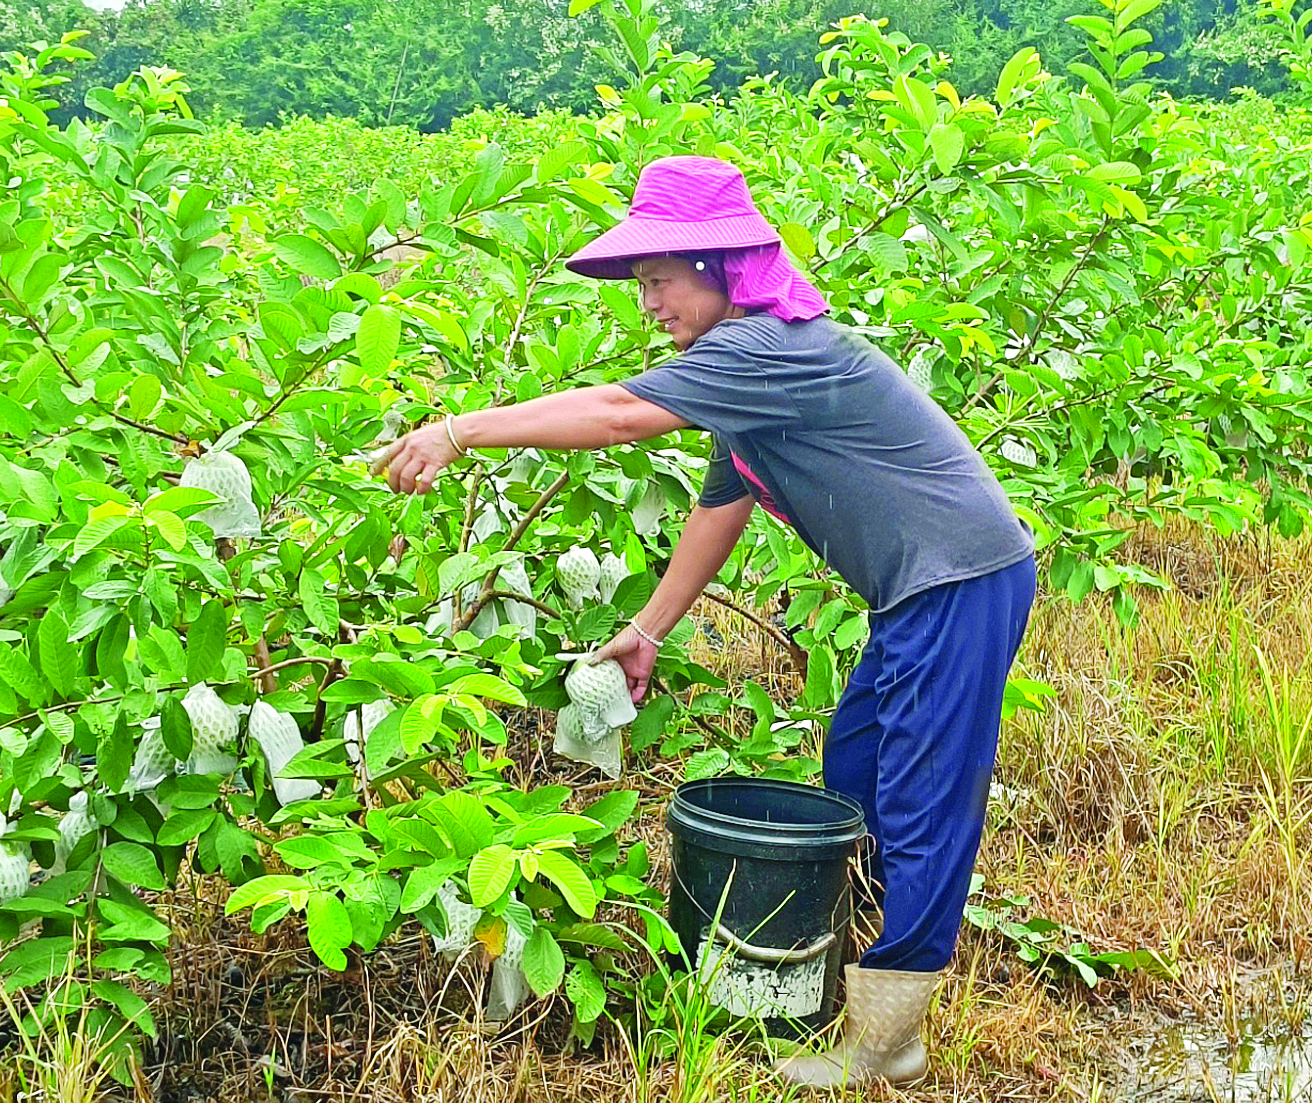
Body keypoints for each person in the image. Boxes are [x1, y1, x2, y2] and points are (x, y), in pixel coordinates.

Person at [372, 155, 1035, 1088]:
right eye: (639, 284)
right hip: (918, 590)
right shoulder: (739, 371)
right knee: (854, 773)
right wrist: (648, 628)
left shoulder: (767, 347)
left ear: (721, 266)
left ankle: (890, 1034)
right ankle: (858, 965)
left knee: (924, 801)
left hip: (960, 581)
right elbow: (723, 505)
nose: (647, 304)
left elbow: (616, 416)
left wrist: (459, 429)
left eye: (657, 280)